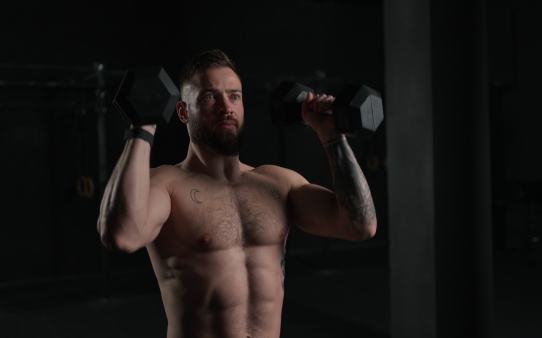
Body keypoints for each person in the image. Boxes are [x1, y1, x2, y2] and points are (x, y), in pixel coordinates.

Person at [97, 49, 377, 338]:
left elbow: (360, 226)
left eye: (234, 96)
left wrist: (332, 136)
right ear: (183, 111)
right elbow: (122, 235)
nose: (225, 107)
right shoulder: (166, 184)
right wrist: (142, 126)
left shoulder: (279, 182)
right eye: (209, 96)